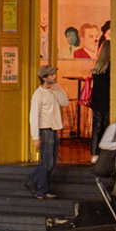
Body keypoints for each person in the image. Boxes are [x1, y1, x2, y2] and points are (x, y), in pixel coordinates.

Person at [24, 65, 69, 199]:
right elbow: (33, 116)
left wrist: (56, 90)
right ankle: (38, 188)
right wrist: (35, 137)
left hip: (53, 130)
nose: (54, 76)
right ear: (44, 78)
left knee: (51, 161)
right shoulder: (38, 95)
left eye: (54, 74)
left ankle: (43, 187)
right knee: (47, 162)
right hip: (45, 130)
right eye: (51, 75)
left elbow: (64, 102)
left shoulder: (55, 89)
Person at [89, 22, 112, 155]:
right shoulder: (111, 68)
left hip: (96, 102)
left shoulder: (96, 68)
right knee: (107, 127)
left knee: (96, 128)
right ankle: (105, 153)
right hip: (106, 101)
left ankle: (94, 154)